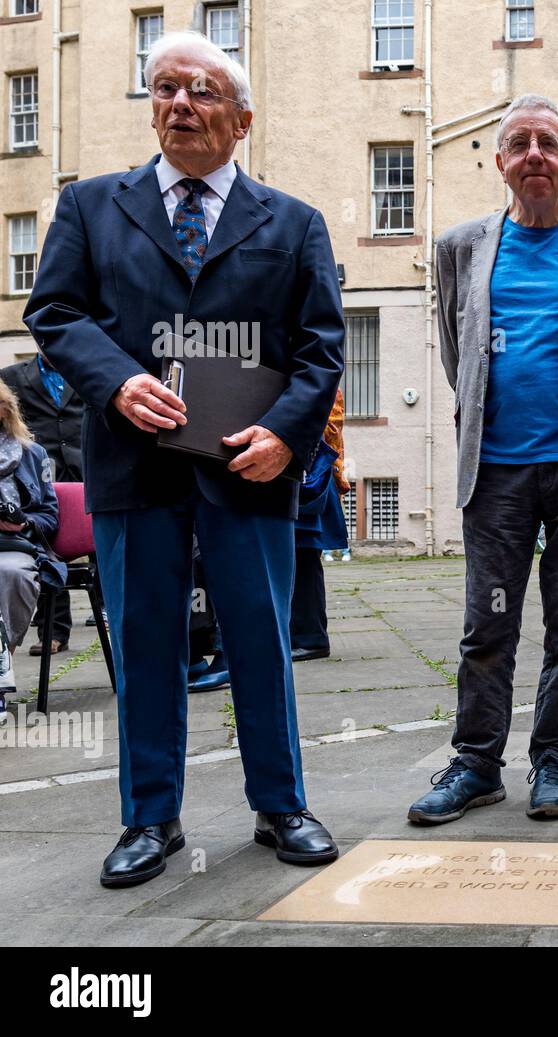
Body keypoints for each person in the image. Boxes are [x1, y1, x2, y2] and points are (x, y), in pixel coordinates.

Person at [23, 31, 345, 887]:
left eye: (203, 91)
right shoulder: (91, 207)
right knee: (145, 639)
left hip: (248, 467)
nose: (180, 104)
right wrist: (118, 382)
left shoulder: (294, 223)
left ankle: (283, 805)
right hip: (135, 466)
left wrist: (285, 434)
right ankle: (149, 817)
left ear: (241, 120)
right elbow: (54, 312)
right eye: (164, 87)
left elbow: (319, 349)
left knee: (261, 638)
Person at [406, 94, 558, 827]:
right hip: (497, 469)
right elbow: (455, 348)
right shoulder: (461, 247)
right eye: (519, 142)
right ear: (501, 162)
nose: (534, 152)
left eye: (549, 142)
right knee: (487, 622)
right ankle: (476, 762)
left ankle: (554, 757)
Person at [1, 352, 83, 657]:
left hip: (83, 465)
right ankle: (54, 629)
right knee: (46, 546)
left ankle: (111, 618)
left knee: (104, 549)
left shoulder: (85, 366)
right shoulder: (14, 374)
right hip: (40, 466)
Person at [0, 381, 65, 719]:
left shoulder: (32, 453)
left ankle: (1, 661)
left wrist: (21, 521)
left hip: (14, 544)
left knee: (10, 572)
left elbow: (50, 516)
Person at [291, 388, 349, 661]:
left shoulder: (321, 384)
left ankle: (310, 637)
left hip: (306, 480)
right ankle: (302, 635)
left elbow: (329, 431)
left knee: (304, 560)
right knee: (298, 561)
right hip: (303, 479)